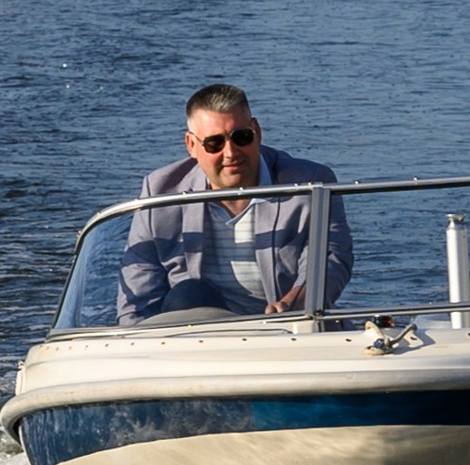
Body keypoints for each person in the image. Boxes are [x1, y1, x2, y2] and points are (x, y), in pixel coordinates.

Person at [117, 84, 354, 323]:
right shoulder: (159, 193)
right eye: (214, 143)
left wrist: (298, 300)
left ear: (257, 132)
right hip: (195, 339)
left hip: (287, 331)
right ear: (191, 145)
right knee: (187, 294)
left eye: (241, 137)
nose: (231, 152)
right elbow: (138, 298)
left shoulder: (311, 184)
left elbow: (331, 259)